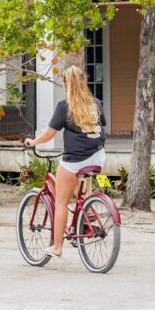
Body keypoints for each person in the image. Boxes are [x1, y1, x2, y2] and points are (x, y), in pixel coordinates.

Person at [24, 65, 105, 258]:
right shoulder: (96, 103)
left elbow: (50, 133)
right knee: (79, 190)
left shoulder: (65, 106)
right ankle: (87, 214)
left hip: (75, 159)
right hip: (98, 156)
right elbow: (100, 126)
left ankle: (57, 247)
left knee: (60, 201)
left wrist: (33, 142)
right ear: (84, 82)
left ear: (65, 85)